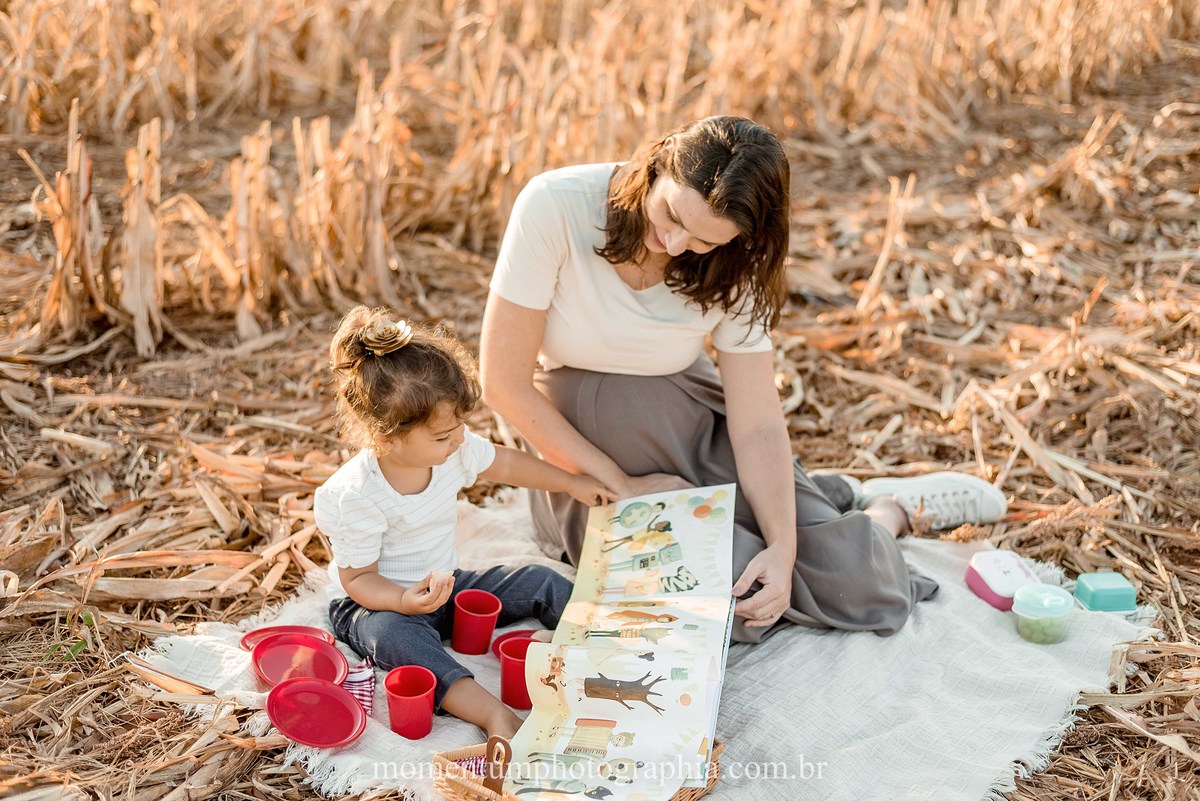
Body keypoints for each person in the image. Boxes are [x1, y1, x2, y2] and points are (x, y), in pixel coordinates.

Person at [479, 115, 1006, 643]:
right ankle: (836, 497)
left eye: (703, 240)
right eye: (671, 214)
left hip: (689, 419)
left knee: (858, 585)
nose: (673, 240)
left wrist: (784, 547)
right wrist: (621, 484)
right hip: (584, 455)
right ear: (660, 164)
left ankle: (889, 512)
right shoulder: (554, 204)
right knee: (723, 599)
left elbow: (756, 423)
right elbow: (502, 384)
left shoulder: (739, 264)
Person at [315, 307, 613, 740]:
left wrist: (570, 482)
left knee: (537, 579)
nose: (458, 441)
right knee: (400, 641)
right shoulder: (356, 495)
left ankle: (604, 640)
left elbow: (506, 464)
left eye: (459, 428)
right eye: (442, 436)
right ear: (385, 437)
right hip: (376, 603)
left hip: (445, 586)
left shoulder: (454, 451)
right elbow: (358, 578)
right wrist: (402, 600)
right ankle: (493, 714)